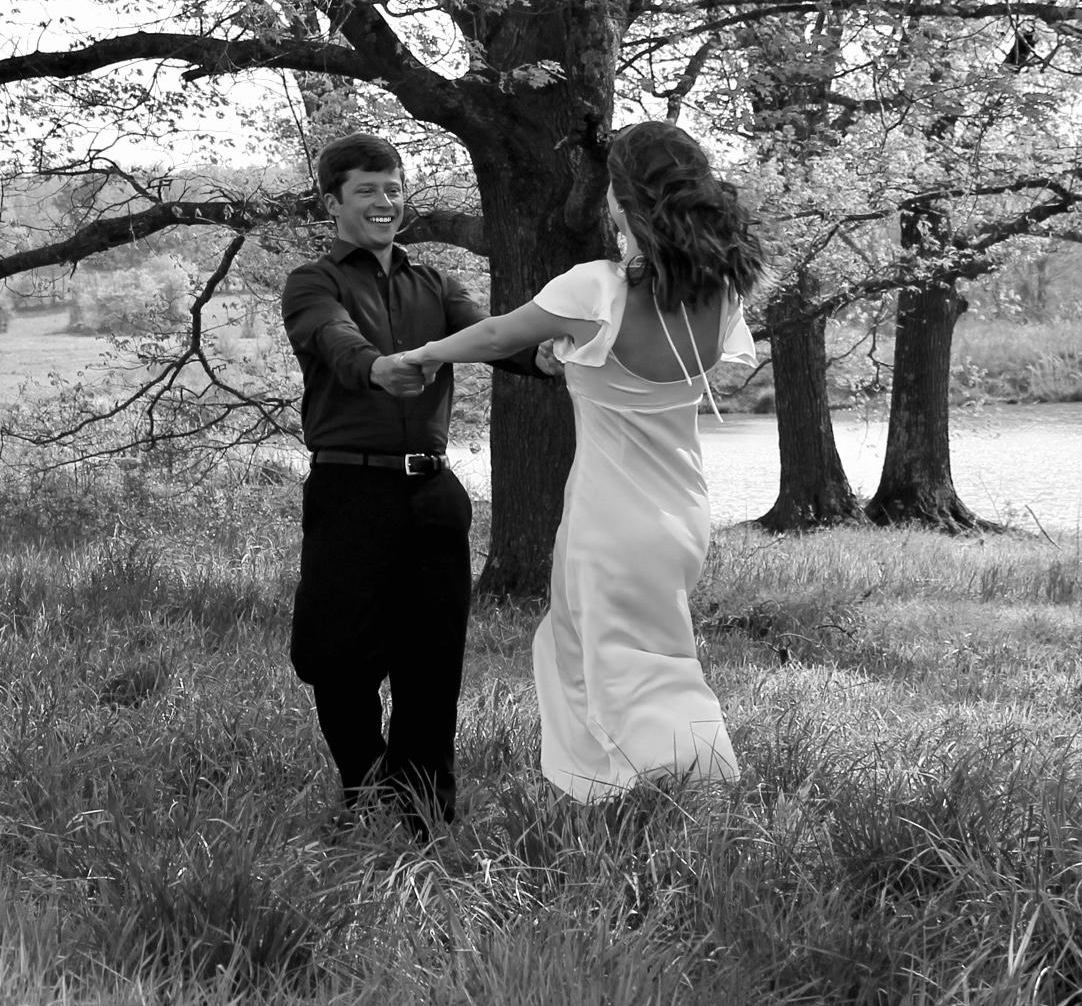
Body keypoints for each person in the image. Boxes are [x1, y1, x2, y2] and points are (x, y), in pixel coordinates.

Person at [403, 120, 764, 802]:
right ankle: (609, 794)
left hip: (611, 518)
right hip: (683, 513)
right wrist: (568, 355)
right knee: (606, 650)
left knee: (624, 665)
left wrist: (422, 355)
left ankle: (687, 791)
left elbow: (495, 334)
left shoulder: (596, 289)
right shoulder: (721, 293)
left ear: (621, 200)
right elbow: (628, 357)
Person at [281, 131, 550, 835]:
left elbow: (492, 337)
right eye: (366, 189)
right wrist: (376, 368)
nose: (384, 201)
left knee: (431, 665)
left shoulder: (435, 283)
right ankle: (366, 789)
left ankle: (425, 816)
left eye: (393, 188)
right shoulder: (313, 282)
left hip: (434, 499)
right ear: (333, 202)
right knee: (334, 657)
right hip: (349, 493)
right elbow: (333, 339)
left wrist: (548, 358)